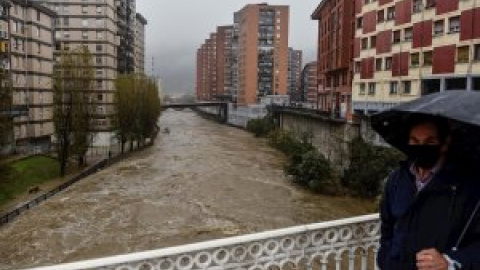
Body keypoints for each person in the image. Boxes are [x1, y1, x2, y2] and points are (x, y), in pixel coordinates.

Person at [377, 115, 480, 270]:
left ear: (444, 144)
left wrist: (450, 262)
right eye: (415, 141)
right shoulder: (397, 179)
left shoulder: (468, 187)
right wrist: (386, 258)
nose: (421, 147)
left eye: (430, 142)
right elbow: (387, 226)